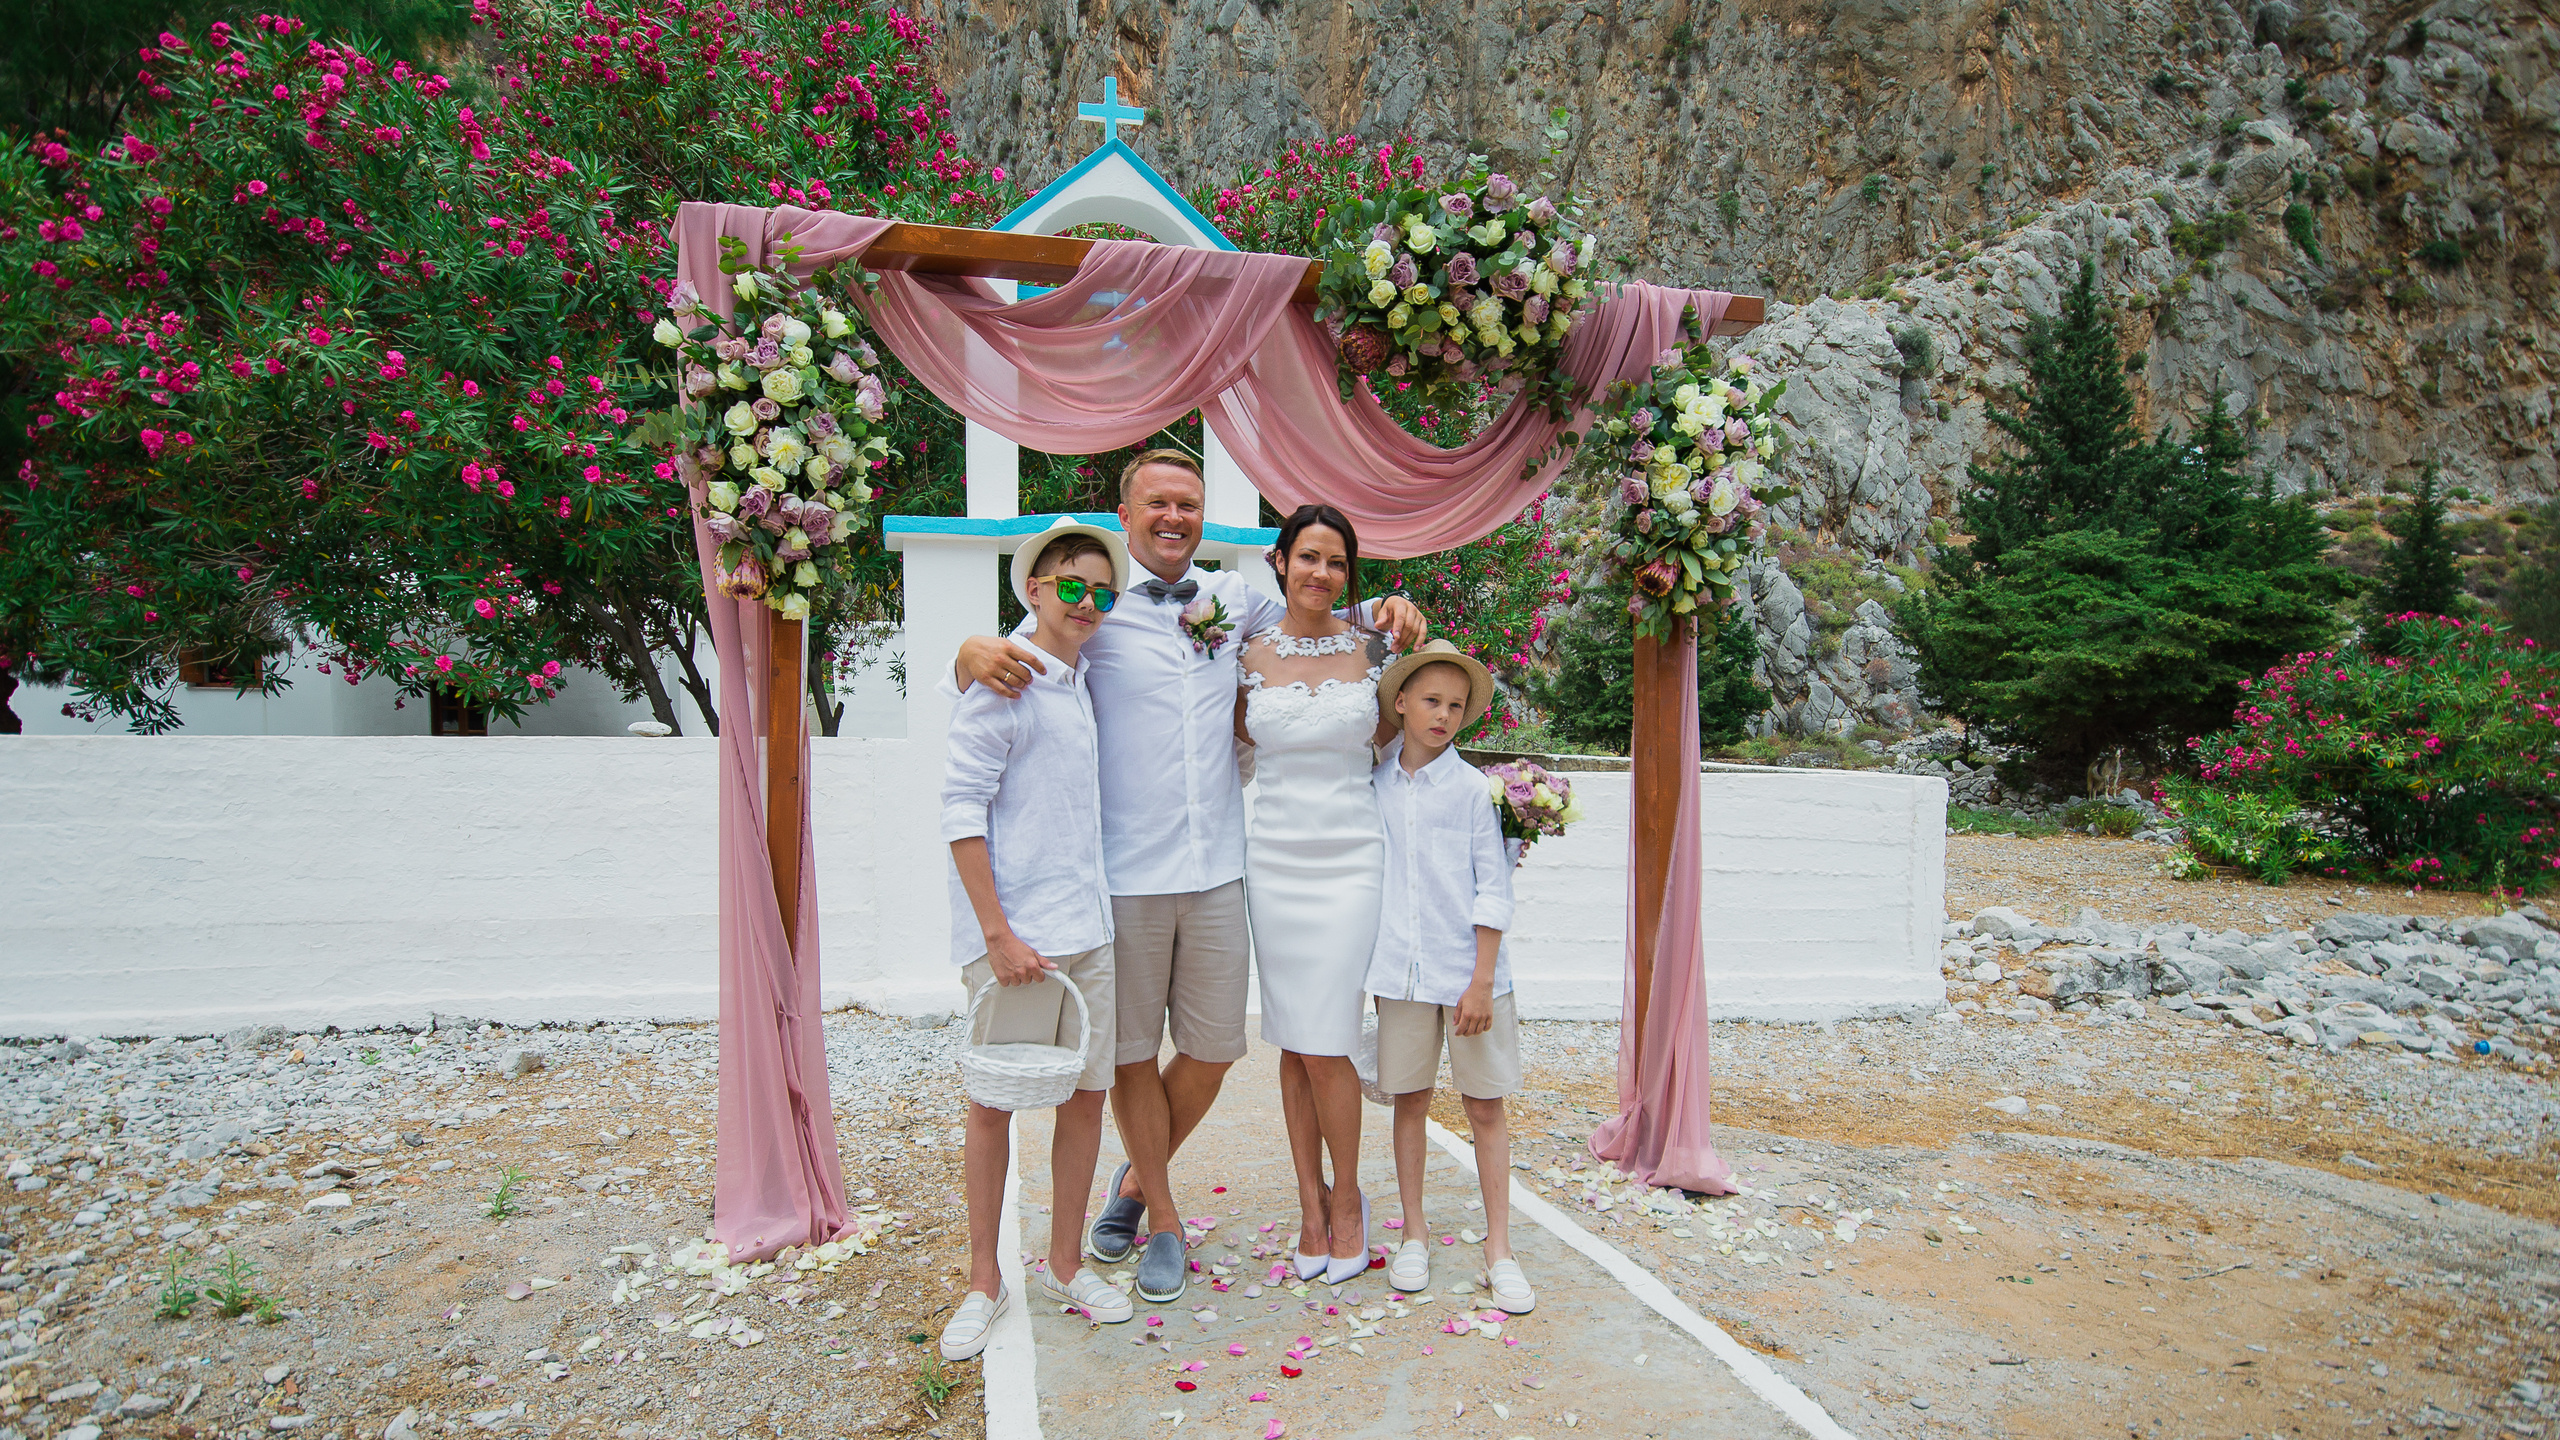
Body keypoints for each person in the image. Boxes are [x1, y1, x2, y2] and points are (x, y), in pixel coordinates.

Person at [952, 451, 1423, 1305]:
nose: (1174, 517)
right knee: (1132, 1055)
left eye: (1189, 504)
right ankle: (1163, 1218)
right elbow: (1016, 656)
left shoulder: (1233, 599)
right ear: (1125, 513)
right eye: (1158, 503)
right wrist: (966, 650)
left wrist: (1390, 609)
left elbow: (1315, 619)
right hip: (1122, 874)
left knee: (1211, 1052)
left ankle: (1136, 1179)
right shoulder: (1092, 604)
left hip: (1219, 868)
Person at [936, 520, 1137, 1363]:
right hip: (1017, 940)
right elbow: (960, 810)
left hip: (1088, 931)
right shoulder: (1005, 678)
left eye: (1102, 593)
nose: (1087, 603)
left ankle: (1063, 1265)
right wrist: (998, 934)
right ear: (1035, 590)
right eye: (1072, 586)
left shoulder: (1080, 679)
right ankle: (984, 1281)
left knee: (1086, 1100)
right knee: (994, 1106)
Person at [1236, 504, 1393, 1285]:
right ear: (1280, 560)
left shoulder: (1377, 647)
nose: (1320, 573)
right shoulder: (1244, 652)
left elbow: (1408, 741)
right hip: (1273, 864)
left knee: (1329, 1039)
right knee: (1294, 1043)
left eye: (1336, 562)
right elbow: (1222, 743)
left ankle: (1350, 1201)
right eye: (1307, 557)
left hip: (1353, 860)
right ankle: (1309, 1202)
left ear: (1349, 573)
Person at [1365, 640, 1537, 1315]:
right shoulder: (1374, 785)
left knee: (1484, 1107)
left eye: (1456, 706)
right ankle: (1413, 1235)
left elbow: (1493, 888)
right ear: (1401, 703)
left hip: (1470, 976)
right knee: (1409, 1101)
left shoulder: (1473, 791)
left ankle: (1500, 1249)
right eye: (1431, 701)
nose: (1443, 715)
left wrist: (1481, 980)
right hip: (1400, 975)